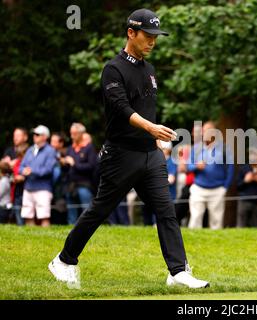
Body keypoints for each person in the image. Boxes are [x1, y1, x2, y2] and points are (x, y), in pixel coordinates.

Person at [48, 9, 209, 288]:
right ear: (131, 33)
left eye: (155, 37)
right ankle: (63, 260)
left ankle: (177, 271)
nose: (152, 42)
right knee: (100, 210)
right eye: (148, 36)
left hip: (150, 154)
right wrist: (151, 128)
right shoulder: (113, 69)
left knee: (165, 209)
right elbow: (122, 109)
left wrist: (154, 139)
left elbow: (146, 108)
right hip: (120, 155)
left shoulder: (149, 70)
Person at [187, 121, 234, 229]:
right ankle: (193, 243)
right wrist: (196, 166)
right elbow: (188, 167)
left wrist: (225, 187)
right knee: (195, 219)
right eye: (204, 130)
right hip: (198, 188)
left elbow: (230, 169)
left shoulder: (224, 148)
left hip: (217, 189)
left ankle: (216, 244)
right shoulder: (196, 148)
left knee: (216, 222)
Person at [19, 125, 57, 227]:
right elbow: (21, 167)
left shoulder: (51, 151)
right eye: (34, 134)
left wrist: (32, 171)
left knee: (44, 216)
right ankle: (30, 241)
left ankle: (46, 241)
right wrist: (24, 170)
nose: (34, 136)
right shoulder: (30, 149)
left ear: (45, 137)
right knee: (28, 216)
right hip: (28, 187)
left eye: (37, 134)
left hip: (43, 188)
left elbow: (48, 170)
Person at [61, 123, 97, 225]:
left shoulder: (89, 148)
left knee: (86, 211)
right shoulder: (70, 148)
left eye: (74, 134)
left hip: (84, 185)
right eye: (71, 133)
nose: (72, 136)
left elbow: (91, 166)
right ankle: (71, 232)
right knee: (71, 211)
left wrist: (74, 164)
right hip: (71, 185)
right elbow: (67, 168)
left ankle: (87, 229)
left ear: (81, 134)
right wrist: (64, 164)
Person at [236, 148, 257, 228]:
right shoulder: (243, 168)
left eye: (255, 155)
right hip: (244, 200)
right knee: (241, 225)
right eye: (251, 155)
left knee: (256, 225)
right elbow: (238, 186)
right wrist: (245, 181)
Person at [9, 143, 29, 225]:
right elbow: (11, 175)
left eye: (21, 156)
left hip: (26, 190)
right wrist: (13, 178)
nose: (20, 158)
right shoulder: (16, 163)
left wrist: (23, 178)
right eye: (18, 156)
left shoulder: (29, 163)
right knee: (17, 211)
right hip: (17, 191)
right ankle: (19, 225)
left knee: (26, 212)